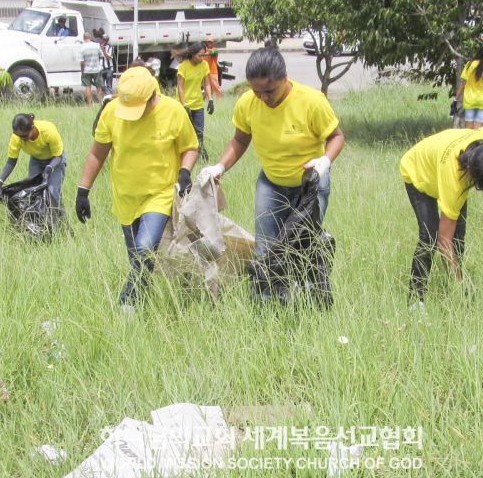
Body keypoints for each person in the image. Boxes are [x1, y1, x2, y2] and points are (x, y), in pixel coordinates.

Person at [197, 47, 345, 264]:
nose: (263, 98)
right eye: (257, 92)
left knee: (302, 248)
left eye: (270, 91)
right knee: (265, 249)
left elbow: (337, 137)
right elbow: (240, 140)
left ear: (284, 79)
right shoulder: (247, 103)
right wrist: (219, 167)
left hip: (311, 186)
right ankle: (267, 296)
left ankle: (303, 294)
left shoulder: (312, 101)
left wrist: (325, 160)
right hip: (271, 185)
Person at [75, 66, 199, 311]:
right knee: (139, 259)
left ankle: (125, 306)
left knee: (144, 248)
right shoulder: (111, 113)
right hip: (125, 198)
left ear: (153, 96)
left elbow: (190, 147)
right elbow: (96, 155)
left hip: (159, 194)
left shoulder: (173, 111)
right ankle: (142, 305)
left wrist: (185, 172)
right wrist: (83, 190)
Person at [400, 128, 483, 306]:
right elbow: (444, 241)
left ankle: (450, 288)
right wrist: (462, 287)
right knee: (430, 236)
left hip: (440, 162)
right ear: (471, 174)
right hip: (419, 172)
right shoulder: (455, 182)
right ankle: (416, 301)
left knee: (458, 237)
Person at [0, 113, 66, 211]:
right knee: (34, 193)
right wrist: (0, 181)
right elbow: (11, 162)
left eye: (24, 136)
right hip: (36, 160)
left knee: (52, 193)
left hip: (55, 161)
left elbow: (58, 156)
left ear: (32, 127)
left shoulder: (48, 130)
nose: (22, 139)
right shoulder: (17, 138)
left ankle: (58, 222)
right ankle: (39, 223)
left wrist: (49, 168)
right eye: (19, 136)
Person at [176, 42, 213, 160]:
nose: (202, 58)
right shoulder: (183, 66)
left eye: (204, 55)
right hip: (184, 105)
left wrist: (210, 99)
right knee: (186, 134)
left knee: (200, 132)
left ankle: (200, 152)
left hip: (198, 105)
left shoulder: (204, 65)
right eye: (200, 56)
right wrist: (183, 104)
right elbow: (180, 86)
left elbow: (207, 83)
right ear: (193, 54)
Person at [453, 43, 483, 129]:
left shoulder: (470, 65)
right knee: (478, 129)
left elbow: (463, 84)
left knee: (469, 129)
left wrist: (456, 98)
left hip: (470, 99)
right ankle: (478, 142)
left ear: (479, 52)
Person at [79, 32, 102, 105]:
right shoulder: (96, 45)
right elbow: (100, 56)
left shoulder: (82, 47)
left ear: (84, 38)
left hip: (87, 70)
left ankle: (90, 103)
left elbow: (82, 62)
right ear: (90, 37)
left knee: (88, 87)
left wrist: (82, 70)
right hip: (97, 69)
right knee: (99, 86)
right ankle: (101, 102)